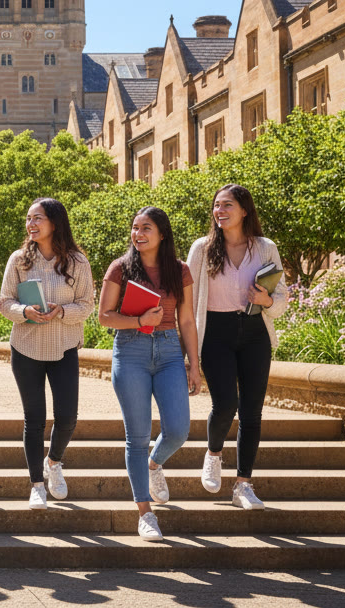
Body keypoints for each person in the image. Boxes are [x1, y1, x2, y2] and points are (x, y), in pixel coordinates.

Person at [97, 206, 202, 542]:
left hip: (171, 351)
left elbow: (187, 320)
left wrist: (194, 365)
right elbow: (105, 317)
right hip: (131, 351)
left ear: (162, 234)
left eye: (146, 228)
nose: (138, 234)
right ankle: (145, 513)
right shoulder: (121, 268)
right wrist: (140, 322)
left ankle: (154, 465)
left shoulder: (180, 270)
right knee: (137, 436)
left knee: (179, 430)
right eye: (135, 228)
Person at [188, 184, 289, 510]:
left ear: (245, 210)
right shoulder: (202, 249)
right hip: (215, 332)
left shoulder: (264, 248)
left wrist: (267, 299)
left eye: (227, 205)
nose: (220, 211)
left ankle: (243, 484)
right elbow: (186, 304)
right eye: (216, 205)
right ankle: (214, 452)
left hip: (255, 332)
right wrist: (189, 354)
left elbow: (283, 297)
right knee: (225, 403)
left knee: (252, 412)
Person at [0, 197, 94, 510]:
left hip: (64, 347)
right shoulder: (19, 260)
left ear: (55, 222)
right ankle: (37, 483)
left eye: (37, 218)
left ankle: (54, 461)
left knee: (67, 418)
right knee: (34, 419)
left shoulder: (77, 262)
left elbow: (87, 305)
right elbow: (4, 302)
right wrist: (25, 310)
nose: (31, 224)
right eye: (28, 219)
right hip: (25, 348)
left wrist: (60, 311)